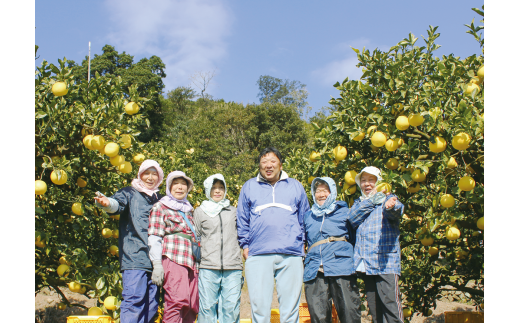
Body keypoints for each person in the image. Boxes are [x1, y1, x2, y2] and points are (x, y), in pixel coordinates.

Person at [237, 147, 310, 323]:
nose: (268, 166)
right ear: (259, 166)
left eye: (272, 161)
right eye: (264, 162)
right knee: (259, 307)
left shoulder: (295, 185)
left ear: (280, 164)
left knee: (290, 307)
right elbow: (242, 218)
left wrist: (303, 242)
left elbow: (304, 216)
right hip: (259, 252)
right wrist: (245, 245)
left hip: (291, 253)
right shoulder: (249, 186)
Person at [303, 176, 389, 323]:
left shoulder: (344, 212)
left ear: (333, 192)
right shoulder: (308, 216)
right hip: (315, 268)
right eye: (318, 191)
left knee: (349, 311)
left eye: (325, 191)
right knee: (318, 315)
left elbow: (355, 236)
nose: (321, 194)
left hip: (341, 265)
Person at [94, 159, 165, 323]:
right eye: (147, 173)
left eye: (154, 174)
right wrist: (107, 203)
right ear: (140, 175)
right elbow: (117, 204)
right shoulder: (130, 193)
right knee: (134, 301)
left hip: (156, 262)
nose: (150, 177)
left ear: (159, 177)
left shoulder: (160, 199)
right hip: (134, 258)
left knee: (152, 305)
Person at [352, 166, 405, 323]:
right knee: (375, 310)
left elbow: (396, 209)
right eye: (363, 180)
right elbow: (352, 218)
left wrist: (391, 205)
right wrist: (371, 202)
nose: (367, 184)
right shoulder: (358, 203)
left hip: (385, 263)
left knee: (391, 307)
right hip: (367, 264)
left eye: (371, 180)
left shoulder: (388, 199)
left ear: (379, 182)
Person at [148, 171, 199, 323]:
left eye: (183, 184)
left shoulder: (189, 210)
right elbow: (155, 237)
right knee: (177, 300)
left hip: (192, 261)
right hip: (173, 258)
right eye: (175, 183)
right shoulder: (160, 207)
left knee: (192, 304)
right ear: (169, 187)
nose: (179, 187)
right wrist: (157, 263)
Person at [193, 174, 243, 323]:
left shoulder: (234, 211)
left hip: (232, 267)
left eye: (221, 188)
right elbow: (196, 237)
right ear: (208, 190)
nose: (217, 191)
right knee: (207, 308)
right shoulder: (200, 211)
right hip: (208, 266)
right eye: (214, 188)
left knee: (231, 308)